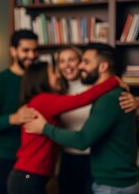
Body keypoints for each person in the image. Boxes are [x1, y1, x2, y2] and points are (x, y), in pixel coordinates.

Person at [25, 43, 139, 194]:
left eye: (73, 60)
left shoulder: (97, 90)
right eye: (61, 61)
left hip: (92, 158)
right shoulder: (58, 91)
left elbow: (91, 102)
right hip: (68, 157)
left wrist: (138, 102)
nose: (68, 65)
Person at [7, 61, 121, 194]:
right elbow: (80, 100)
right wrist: (114, 81)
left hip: (31, 177)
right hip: (27, 177)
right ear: (42, 78)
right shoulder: (42, 100)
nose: (57, 76)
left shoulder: (44, 101)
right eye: (53, 72)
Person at [0, 30, 39, 194]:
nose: (32, 55)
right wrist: (14, 118)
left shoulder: (40, 80)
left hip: (35, 160)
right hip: (6, 158)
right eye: (26, 50)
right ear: (13, 50)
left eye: (35, 50)